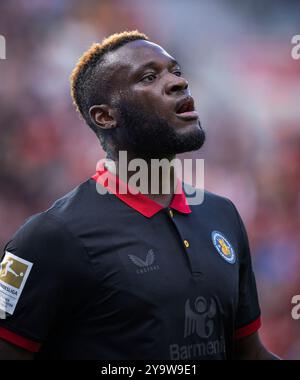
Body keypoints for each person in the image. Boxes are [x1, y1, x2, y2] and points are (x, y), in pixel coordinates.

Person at [0, 31, 279, 360]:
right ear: (105, 116)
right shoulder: (50, 237)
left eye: (175, 71)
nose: (178, 83)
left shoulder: (223, 215)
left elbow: (248, 354)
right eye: (149, 77)